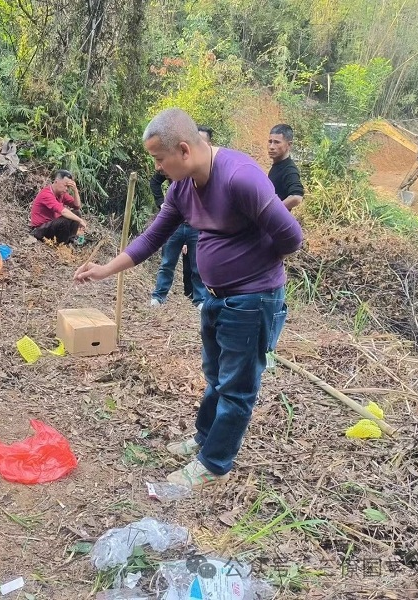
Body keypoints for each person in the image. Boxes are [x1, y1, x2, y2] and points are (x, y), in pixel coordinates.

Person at [74, 109, 302, 488]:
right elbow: (152, 237)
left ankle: (214, 463)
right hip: (215, 298)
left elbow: (290, 237)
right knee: (215, 377)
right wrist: (105, 269)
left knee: (237, 387)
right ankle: (203, 437)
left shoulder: (239, 177)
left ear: (183, 149)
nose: (158, 167)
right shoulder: (182, 188)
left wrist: (251, 267)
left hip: (251, 299)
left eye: (159, 159)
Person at [149, 127, 213, 308]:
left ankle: (199, 299)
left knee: (197, 265)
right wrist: (162, 203)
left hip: (197, 226)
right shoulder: (177, 172)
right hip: (176, 225)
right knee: (167, 261)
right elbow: (155, 181)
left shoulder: (213, 172)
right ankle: (159, 296)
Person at [30, 170, 87, 244]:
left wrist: (75, 190)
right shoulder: (46, 194)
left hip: (52, 225)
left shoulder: (61, 194)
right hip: (40, 229)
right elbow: (63, 211)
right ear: (56, 181)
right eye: (65, 185)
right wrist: (80, 220)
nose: (66, 189)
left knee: (76, 213)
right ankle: (62, 244)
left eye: (68, 187)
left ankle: (70, 239)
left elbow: (77, 206)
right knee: (64, 220)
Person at [267, 124, 304, 211]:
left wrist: (271, 212)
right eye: (270, 141)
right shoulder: (278, 165)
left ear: (289, 145)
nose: (271, 147)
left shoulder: (289, 169)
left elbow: (297, 197)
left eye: (277, 142)